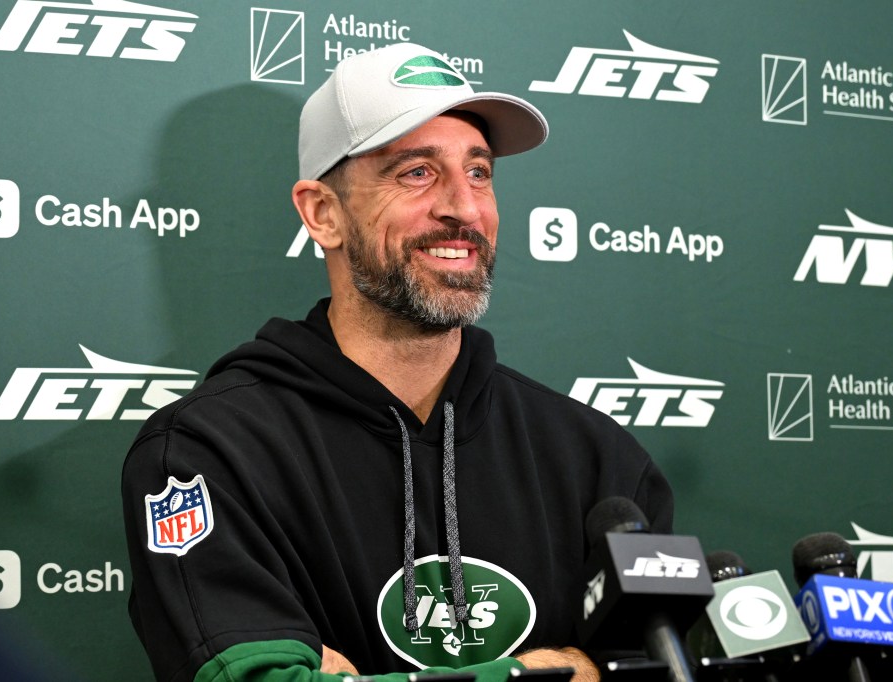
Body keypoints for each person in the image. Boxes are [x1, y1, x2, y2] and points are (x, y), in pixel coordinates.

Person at [122, 42, 673, 682]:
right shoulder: (206, 455)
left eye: (478, 172)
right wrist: (541, 673)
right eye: (416, 172)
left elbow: (660, 667)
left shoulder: (598, 461)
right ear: (322, 213)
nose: (464, 209)